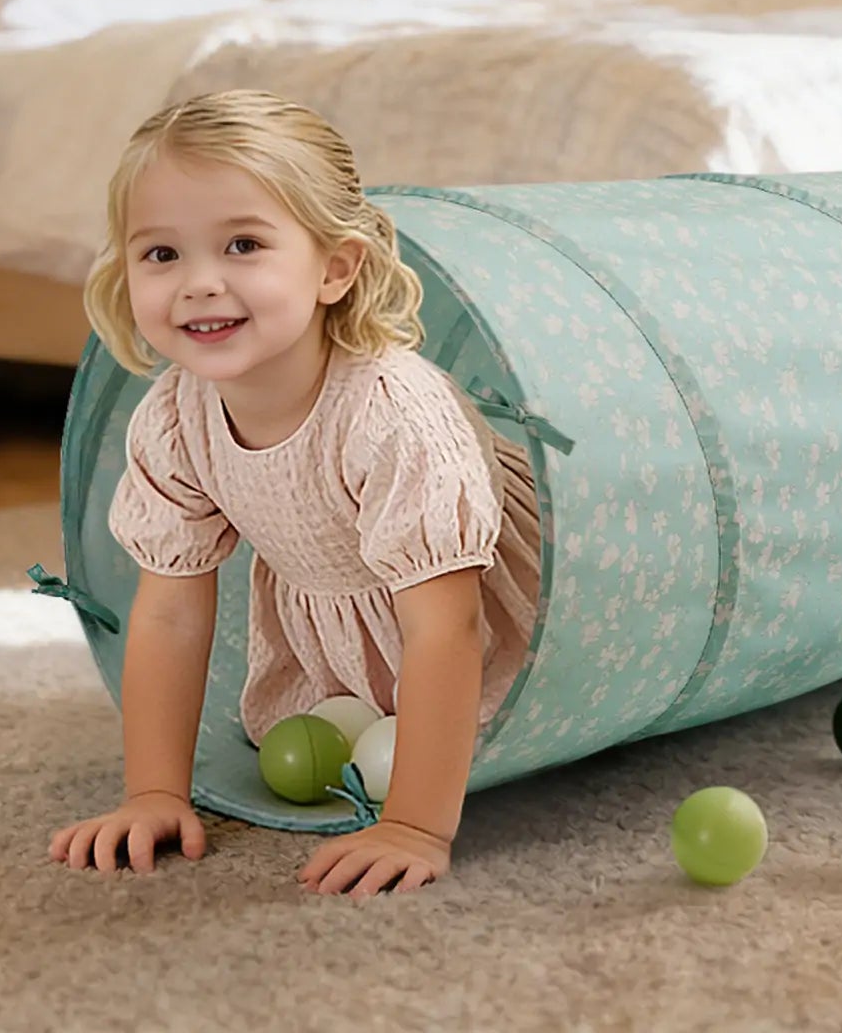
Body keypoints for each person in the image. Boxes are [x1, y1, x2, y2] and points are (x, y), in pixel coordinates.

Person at [48, 89, 540, 897]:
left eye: (243, 244)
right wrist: (155, 792)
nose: (200, 283)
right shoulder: (176, 414)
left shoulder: (389, 413)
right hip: (344, 627)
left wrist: (415, 824)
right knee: (317, 742)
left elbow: (449, 625)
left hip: (477, 616)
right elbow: (169, 608)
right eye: (161, 255)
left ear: (334, 268)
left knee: (453, 735)